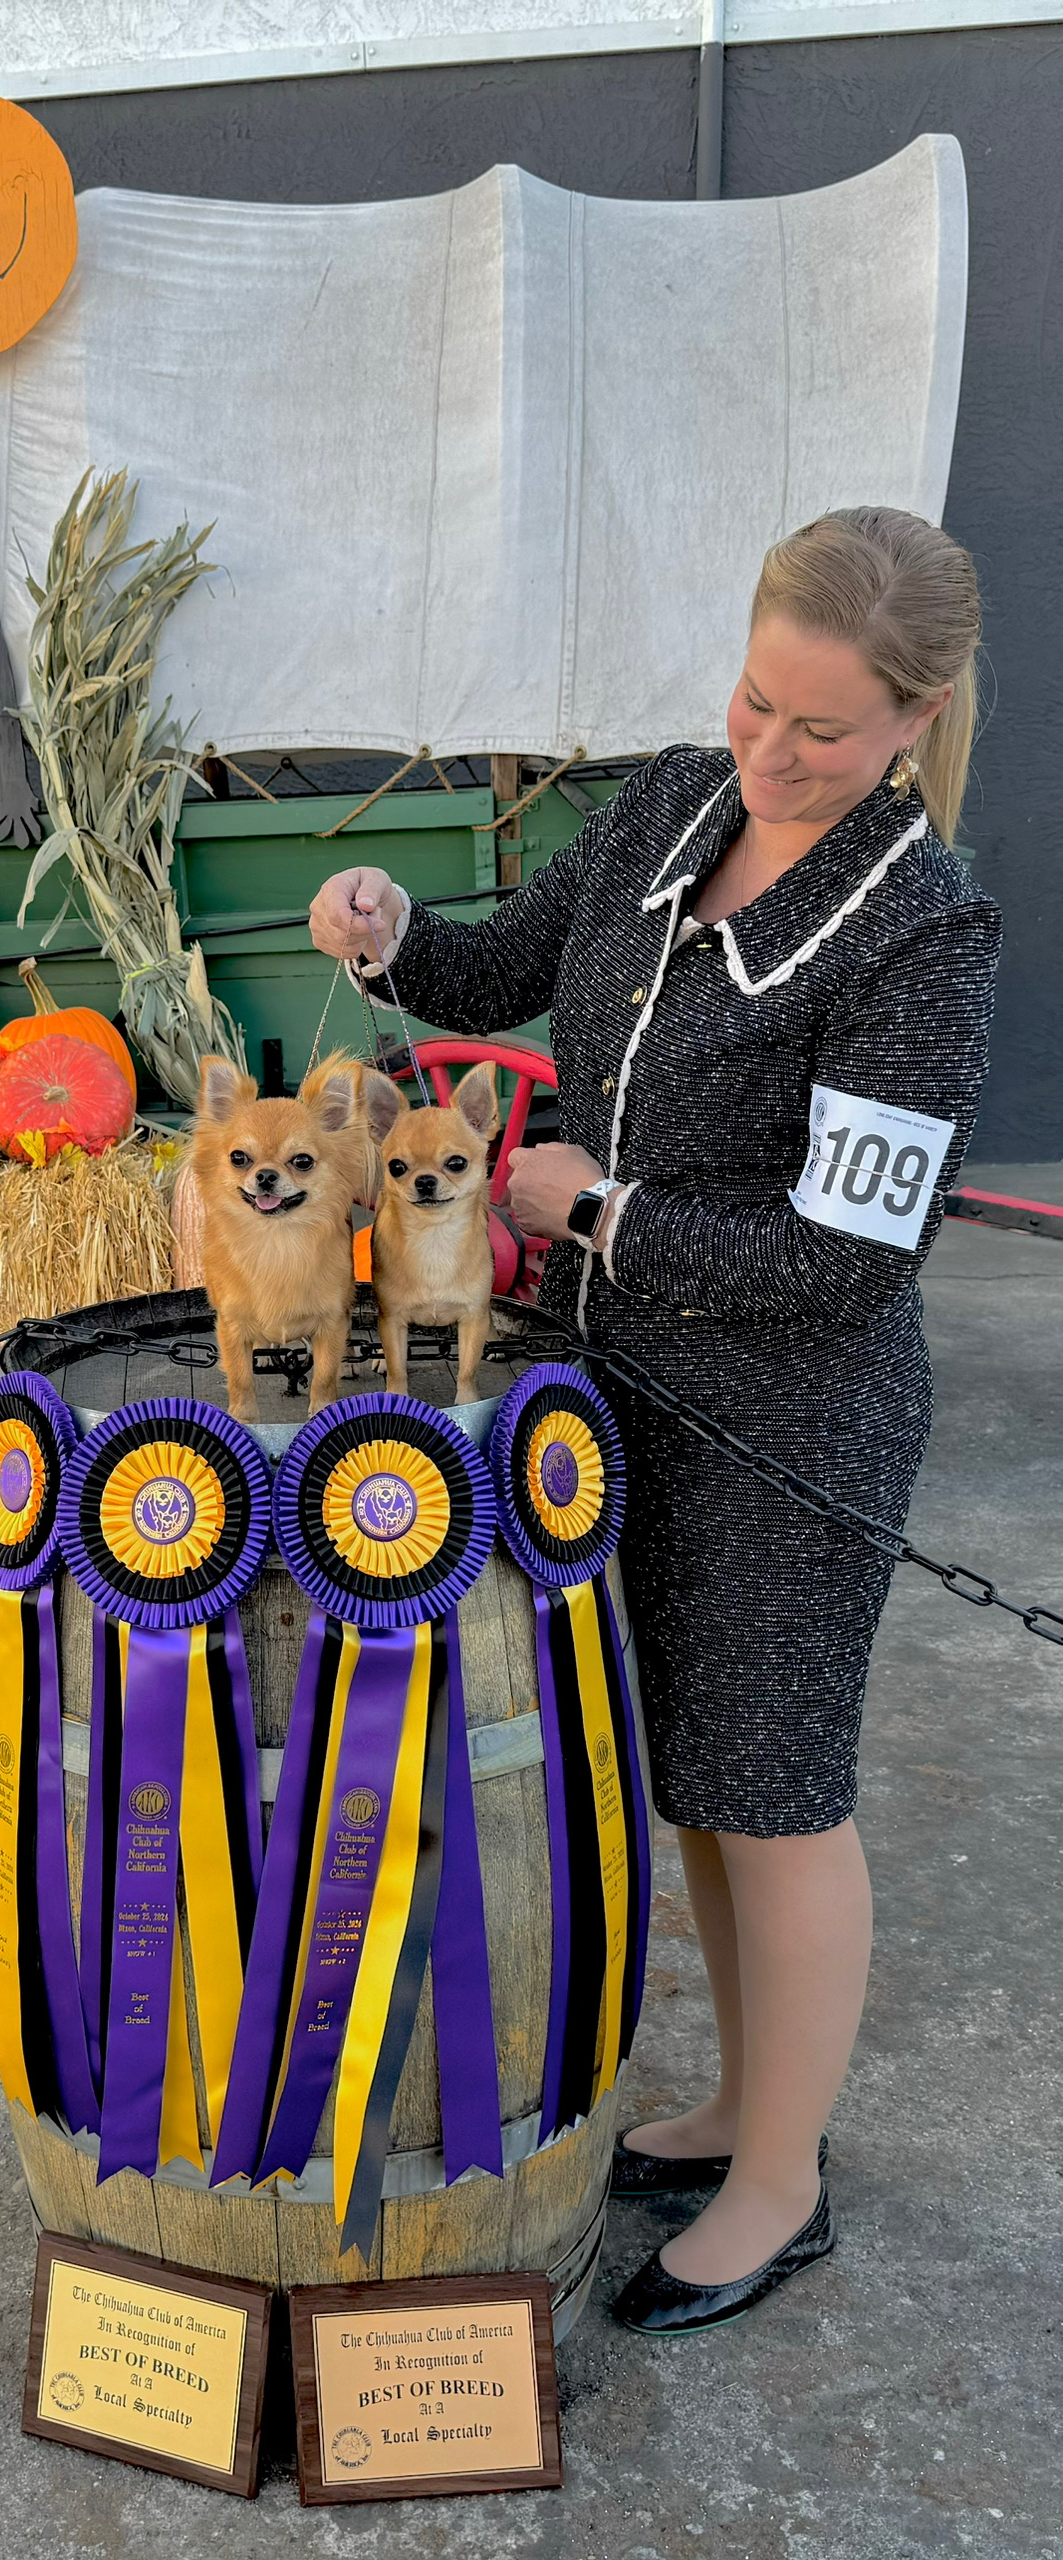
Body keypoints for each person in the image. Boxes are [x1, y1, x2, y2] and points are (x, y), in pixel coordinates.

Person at [308, 508, 1001, 2337]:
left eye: (824, 730)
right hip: (624, 1394)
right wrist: (389, 932)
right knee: (688, 1768)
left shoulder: (926, 931)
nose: (772, 750)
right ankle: (741, 2108)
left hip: (796, 1422)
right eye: (757, 699)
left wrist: (597, 1210)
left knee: (778, 1799)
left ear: (917, 721)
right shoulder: (671, 806)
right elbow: (496, 972)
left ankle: (784, 2185)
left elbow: (852, 1257)